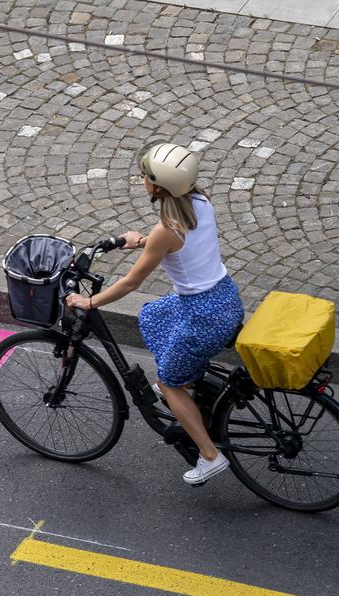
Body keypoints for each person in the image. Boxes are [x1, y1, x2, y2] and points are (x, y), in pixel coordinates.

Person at [66, 142, 244, 485]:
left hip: (202, 315)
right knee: (153, 315)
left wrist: (90, 302)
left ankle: (209, 455)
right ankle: (187, 381)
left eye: (145, 177)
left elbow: (132, 282)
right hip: (224, 298)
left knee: (167, 382)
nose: (142, 180)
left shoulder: (166, 230)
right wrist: (144, 240)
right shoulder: (200, 202)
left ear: (159, 187)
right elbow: (181, 243)